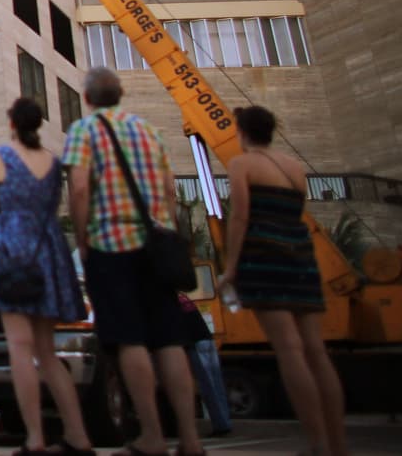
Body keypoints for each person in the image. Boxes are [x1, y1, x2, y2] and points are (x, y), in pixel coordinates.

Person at [61, 67, 204, 456]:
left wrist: (85, 239)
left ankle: (153, 436)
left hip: (111, 243)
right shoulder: (149, 132)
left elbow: (79, 188)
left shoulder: (84, 132)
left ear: (87, 98)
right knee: (169, 340)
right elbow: (171, 192)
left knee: (129, 339)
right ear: (120, 93)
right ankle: (190, 439)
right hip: (155, 245)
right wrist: (168, 233)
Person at [220, 105, 346, 456]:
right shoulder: (295, 168)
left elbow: (240, 217)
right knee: (317, 351)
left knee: (289, 350)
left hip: (265, 260)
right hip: (301, 260)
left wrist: (231, 268)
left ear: (242, 131)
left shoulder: (241, 165)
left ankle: (318, 443)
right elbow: (294, 213)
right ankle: (338, 444)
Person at [0, 98, 92, 456]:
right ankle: (78, 436)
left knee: (20, 350)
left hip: (13, 251)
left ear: (12, 123)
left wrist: (6, 211)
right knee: (48, 352)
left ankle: (35, 439)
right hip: (49, 253)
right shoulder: (54, 161)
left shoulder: (2, 156)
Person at [177, 292, 231, 438]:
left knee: (207, 385)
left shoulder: (171, 302)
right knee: (216, 383)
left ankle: (221, 425)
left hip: (196, 344)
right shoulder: (183, 298)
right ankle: (225, 421)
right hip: (208, 340)